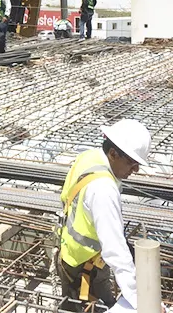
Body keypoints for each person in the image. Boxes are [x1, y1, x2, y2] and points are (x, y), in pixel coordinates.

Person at [57, 118, 151, 312]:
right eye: (132, 164)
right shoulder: (103, 190)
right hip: (85, 269)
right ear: (114, 153)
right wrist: (140, 301)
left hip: (70, 257)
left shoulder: (89, 157)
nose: (136, 170)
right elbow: (115, 249)